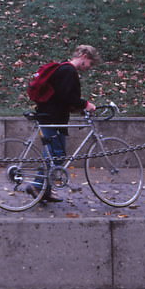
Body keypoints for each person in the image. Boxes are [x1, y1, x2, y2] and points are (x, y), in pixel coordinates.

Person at [29, 44, 99, 203]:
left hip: (55, 117)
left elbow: (62, 98)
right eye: (91, 63)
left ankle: (44, 190)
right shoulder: (68, 71)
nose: (89, 67)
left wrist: (78, 107)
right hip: (51, 117)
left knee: (57, 155)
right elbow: (66, 97)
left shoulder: (64, 69)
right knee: (55, 153)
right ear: (84, 56)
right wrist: (85, 104)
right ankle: (37, 185)